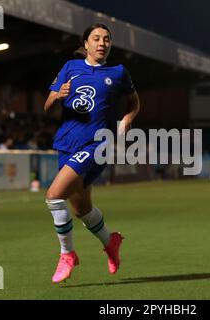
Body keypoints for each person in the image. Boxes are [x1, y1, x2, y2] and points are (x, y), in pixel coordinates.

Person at [43, 23, 140, 283]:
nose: (102, 43)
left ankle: (68, 254)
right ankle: (111, 243)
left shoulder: (119, 72)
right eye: (96, 38)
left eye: (106, 39)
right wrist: (57, 97)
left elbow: (134, 102)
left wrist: (128, 118)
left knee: (54, 196)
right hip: (67, 143)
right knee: (81, 208)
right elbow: (48, 108)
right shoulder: (70, 68)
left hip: (98, 144)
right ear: (85, 43)